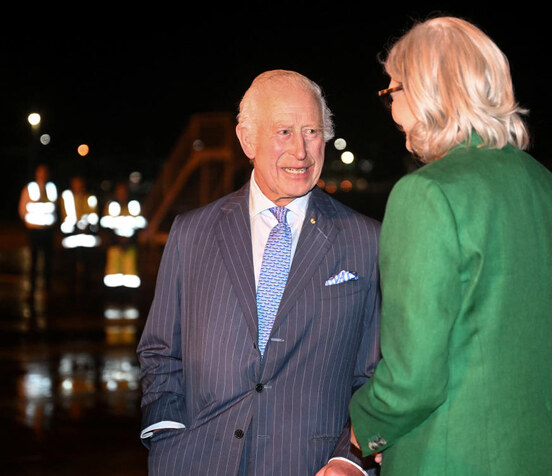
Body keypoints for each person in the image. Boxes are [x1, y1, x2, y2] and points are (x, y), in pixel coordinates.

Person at [348, 16, 552, 475]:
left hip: (452, 456)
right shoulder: (547, 188)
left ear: (424, 90)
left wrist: (367, 424)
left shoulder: (426, 193)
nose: (391, 108)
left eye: (392, 91)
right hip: (543, 451)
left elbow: (412, 378)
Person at [137, 70, 381, 476]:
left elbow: (375, 372)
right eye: (284, 132)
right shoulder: (191, 233)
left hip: (313, 467)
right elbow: (161, 352)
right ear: (247, 140)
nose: (301, 151)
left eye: (312, 132)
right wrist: (167, 436)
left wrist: (349, 459)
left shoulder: (366, 240)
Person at [18, 163, 58, 302]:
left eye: (45, 172)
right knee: (33, 261)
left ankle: (47, 290)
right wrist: (29, 223)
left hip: (48, 231)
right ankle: (32, 290)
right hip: (34, 231)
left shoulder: (51, 189)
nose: (43, 175)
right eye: (40, 172)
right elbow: (22, 209)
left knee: (48, 262)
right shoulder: (29, 189)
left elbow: (55, 208)